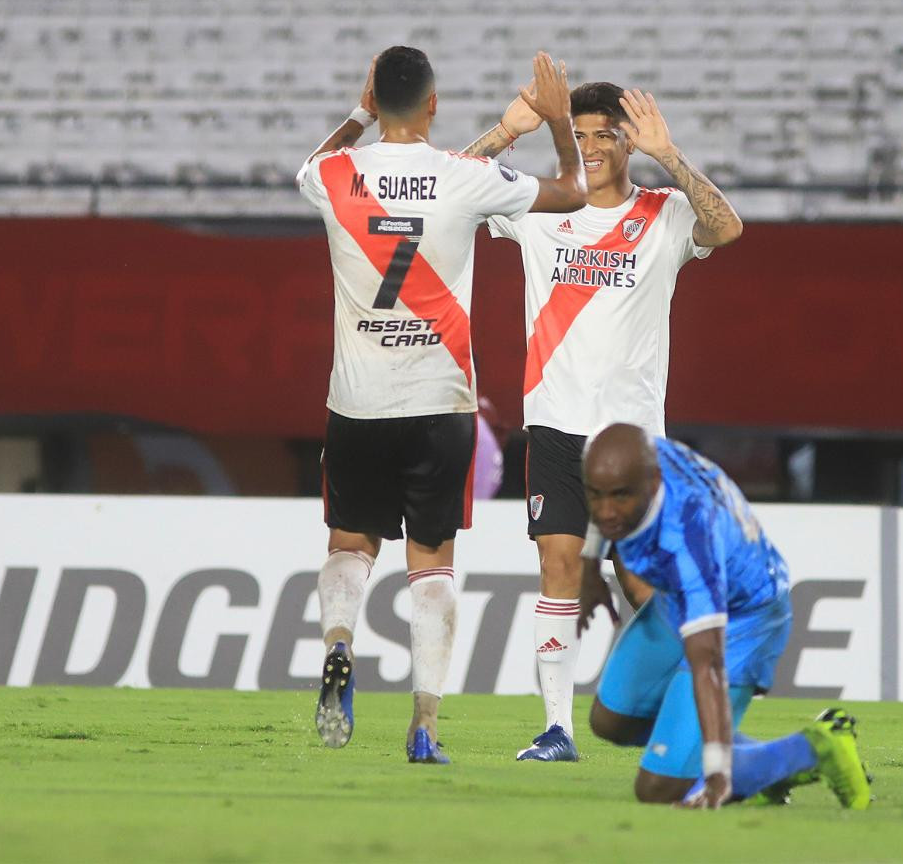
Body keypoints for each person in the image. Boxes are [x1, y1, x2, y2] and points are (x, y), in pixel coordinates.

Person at [296, 47, 587, 761]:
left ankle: (340, 642)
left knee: (349, 545)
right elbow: (574, 192)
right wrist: (553, 125)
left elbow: (313, 161)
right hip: (441, 403)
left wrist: (359, 113)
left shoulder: (335, 175)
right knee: (432, 563)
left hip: (358, 403)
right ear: (433, 104)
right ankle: (424, 726)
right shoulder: (466, 177)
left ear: (377, 99)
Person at [463, 81, 744, 762]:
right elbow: (450, 191)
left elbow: (727, 227)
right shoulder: (542, 204)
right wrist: (507, 133)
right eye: (579, 135)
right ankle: (558, 728)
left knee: (652, 589)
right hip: (556, 427)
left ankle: (687, 721)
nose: (588, 149)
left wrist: (670, 155)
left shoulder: (664, 212)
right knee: (557, 567)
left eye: (603, 136)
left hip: (634, 441)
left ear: (627, 141)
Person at [577, 423, 873, 809]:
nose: (606, 511)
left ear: (652, 482)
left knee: (657, 789)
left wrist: (717, 773)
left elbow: (709, 664)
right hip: (679, 595)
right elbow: (607, 498)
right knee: (612, 721)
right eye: (595, 496)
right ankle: (751, 761)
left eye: (619, 497)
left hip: (745, 617)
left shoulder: (690, 538)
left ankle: (815, 748)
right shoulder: (638, 459)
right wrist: (588, 570)